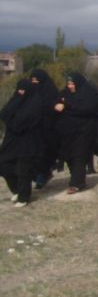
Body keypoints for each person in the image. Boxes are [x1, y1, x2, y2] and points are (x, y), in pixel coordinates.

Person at [53, 73, 98, 194]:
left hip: (84, 130)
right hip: (68, 131)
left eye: (73, 84)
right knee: (69, 156)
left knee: (79, 155)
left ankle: (76, 184)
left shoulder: (88, 93)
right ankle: (78, 179)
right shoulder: (64, 93)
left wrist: (67, 105)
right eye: (68, 84)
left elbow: (87, 108)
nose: (70, 87)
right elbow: (57, 104)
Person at [0, 79, 43, 207]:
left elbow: (19, 123)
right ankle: (17, 190)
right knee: (3, 164)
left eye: (23, 91)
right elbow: (4, 114)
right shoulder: (16, 100)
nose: (20, 93)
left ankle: (24, 197)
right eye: (18, 90)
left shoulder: (34, 105)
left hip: (27, 142)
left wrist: (10, 119)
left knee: (23, 170)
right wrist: (17, 100)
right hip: (12, 141)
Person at [30, 69, 60, 189]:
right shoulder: (30, 92)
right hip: (32, 129)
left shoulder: (51, 92)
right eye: (32, 81)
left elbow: (53, 110)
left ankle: (42, 176)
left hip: (47, 129)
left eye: (37, 81)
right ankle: (38, 176)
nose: (34, 84)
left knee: (43, 155)